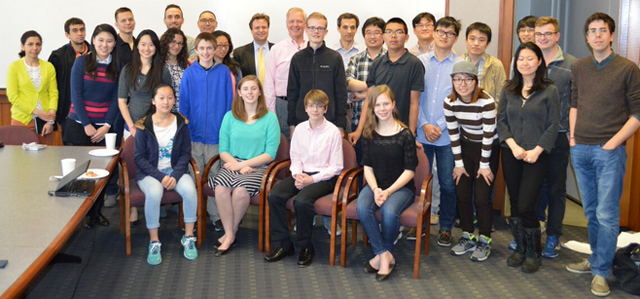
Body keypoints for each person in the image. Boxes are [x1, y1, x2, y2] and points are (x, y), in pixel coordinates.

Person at [566, 13, 640, 297]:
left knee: (607, 215)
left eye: (602, 30)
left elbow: (637, 113)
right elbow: (575, 103)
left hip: (609, 152)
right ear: (587, 37)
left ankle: (600, 273)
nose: (597, 35)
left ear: (611, 35)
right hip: (581, 149)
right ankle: (598, 260)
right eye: (592, 31)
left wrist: (613, 143)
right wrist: (573, 137)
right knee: (591, 212)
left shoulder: (627, 68)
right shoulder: (581, 67)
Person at [497, 42, 559, 274]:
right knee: (514, 202)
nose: (524, 63)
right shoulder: (508, 88)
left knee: (526, 204)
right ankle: (521, 248)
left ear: (539, 62)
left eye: (530, 58)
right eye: (520, 58)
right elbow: (501, 121)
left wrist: (537, 150)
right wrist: (512, 145)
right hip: (512, 152)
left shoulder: (549, 90)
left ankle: (535, 252)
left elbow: (554, 125)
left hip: (536, 155)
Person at [265, 89, 343, 267]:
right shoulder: (300, 129)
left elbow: (336, 167)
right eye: (311, 106)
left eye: (319, 106)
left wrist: (311, 180)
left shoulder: (332, 132)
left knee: (302, 201)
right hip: (302, 173)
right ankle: (284, 244)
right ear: (305, 108)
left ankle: (306, 246)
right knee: (275, 195)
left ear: (325, 108)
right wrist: (298, 175)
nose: (315, 109)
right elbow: (296, 157)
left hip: (325, 178)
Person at [209, 75, 280, 256]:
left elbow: (269, 154)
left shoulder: (270, 118)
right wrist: (238, 165)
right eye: (246, 89)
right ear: (239, 93)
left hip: (259, 167)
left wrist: (245, 165)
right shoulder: (229, 117)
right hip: (233, 163)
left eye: (253, 89)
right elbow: (223, 150)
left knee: (241, 190)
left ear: (259, 93)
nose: (250, 92)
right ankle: (231, 233)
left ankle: (229, 235)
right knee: (220, 188)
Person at [357, 85, 417, 281]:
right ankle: (384, 254)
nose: (382, 109)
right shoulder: (368, 132)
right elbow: (367, 167)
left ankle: (381, 256)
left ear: (393, 105)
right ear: (372, 108)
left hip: (400, 188)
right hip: (376, 185)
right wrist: (375, 189)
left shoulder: (405, 134)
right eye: (377, 105)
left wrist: (388, 192)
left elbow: (409, 171)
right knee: (362, 206)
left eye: (385, 104)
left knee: (389, 212)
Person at [63, 24, 121, 229]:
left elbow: (116, 98)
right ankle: (75, 218)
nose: (105, 45)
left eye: (109, 41)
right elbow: (76, 95)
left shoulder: (118, 66)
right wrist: (87, 124)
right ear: (94, 40)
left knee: (101, 173)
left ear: (114, 44)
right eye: (101, 40)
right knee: (79, 174)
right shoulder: (81, 62)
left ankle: (95, 214)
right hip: (79, 126)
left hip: (104, 128)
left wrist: (106, 125)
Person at [134, 84, 198, 265]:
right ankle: (154, 241)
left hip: (175, 171)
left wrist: (175, 175)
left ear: (174, 101)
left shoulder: (181, 123)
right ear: (153, 101)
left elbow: (186, 153)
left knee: (190, 190)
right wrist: (161, 177)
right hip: (150, 174)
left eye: (170, 97)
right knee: (154, 193)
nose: (166, 101)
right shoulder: (143, 125)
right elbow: (139, 158)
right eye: (161, 98)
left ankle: (189, 236)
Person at [531, 16, 577, 259]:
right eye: (539, 34)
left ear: (557, 36)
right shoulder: (529, 60)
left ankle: (553, 236)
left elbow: (576, 103)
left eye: (548, 34)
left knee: (557, 188)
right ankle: (533, 229)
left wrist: (572, 133)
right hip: (532, 136)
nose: (543, 38)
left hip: (559, 136)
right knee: (533, 186)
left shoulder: (572, 65)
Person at [444, 61, 499, 262]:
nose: (463, 84)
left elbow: (488, 135)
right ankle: (468, 235)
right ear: (452, 81)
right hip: (465, 148)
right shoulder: (449, 102)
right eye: (458, 79)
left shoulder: (486, 102)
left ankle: (485, 239)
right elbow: (453, 134)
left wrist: (484, 166)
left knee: (482, 197)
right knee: (462, 192)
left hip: (488, 149)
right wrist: (459, 164)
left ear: (476, 81)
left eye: (468, 79)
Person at [179, 32, 233, 234]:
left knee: (215, 178)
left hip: (216, 137)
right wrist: (186, 135)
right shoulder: (189, 74)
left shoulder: (224, 72)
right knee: (192, 177)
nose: (206, 52)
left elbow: (229, 105)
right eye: (201, 48)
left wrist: (225, 134)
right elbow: (183, 107)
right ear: (196, 50)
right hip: (194, 136)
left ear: (215, 49)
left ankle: (216, 216)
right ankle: (191, 218)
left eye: (209, 48)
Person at [416, 16, 463, 246]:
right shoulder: (419, 62)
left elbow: (461, 100)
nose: (444, 36)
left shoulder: (461, 65)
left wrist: (440, 126)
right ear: (433, 33)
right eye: (441, 31)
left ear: (455, 37)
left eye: (450, 33)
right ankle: (418, 225)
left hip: (447, 136)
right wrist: (424, 124)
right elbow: (415, 97)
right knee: (419, 181)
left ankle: (445, 227)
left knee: (446, 183)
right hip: (421, 133)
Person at [349, 17, 424, 144]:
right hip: (376, 131)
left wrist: (411, 134)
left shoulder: (414, 64)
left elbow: (414, 103)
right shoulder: (377, 63)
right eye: (389, 32)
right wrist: (359, 131)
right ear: (384, 36)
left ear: (406, 37)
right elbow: (369, 99)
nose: (393, 36)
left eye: (399, 32)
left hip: (401, 132)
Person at [287, 12, 347, 136]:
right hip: (302, 122)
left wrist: (341, 124)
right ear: (306, 29)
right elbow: (292, 93)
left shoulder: (335, 58)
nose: (316, 32)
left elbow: (341, 93)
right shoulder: (297, 58)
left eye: (320, 28)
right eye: (312, 28)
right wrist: (292, 124)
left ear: (326, 32)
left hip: (329, 122)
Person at [7, 30, 58, 145]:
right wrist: (38, 112)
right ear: (22, 46)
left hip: (45, 122)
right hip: (22, 120)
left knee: (45, 158)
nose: (35, 48)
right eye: (30, 44)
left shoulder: (48, 67)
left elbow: (53, 93)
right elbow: (13, 96)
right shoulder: (14, 67)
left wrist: (50, 120)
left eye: (38, 44)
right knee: (22, 160)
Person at [118, 30, 171, 140]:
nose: (146, 49)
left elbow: (167, 100)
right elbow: (122, 101)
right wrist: (132, 127)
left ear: (156, 47)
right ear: (137, 46)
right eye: (143, 44)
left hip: (157, 128)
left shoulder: (163, 71)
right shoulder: (128, 70)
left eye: (151, 45)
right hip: (131, 127)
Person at [263, 7, 306, 138]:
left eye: (299, 21)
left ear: (305, 24)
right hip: (283, 106)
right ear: (287, 24)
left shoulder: (312, 47)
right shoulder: (277, 49)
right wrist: (271, 113)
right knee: (285, 146)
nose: (295, 25)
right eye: (291, 21)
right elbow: (269, 83)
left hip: (308, 104)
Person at [48, 18, 90, 139]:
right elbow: (52, 87)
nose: (80, 33)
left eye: (82, 30)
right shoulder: (58, 56)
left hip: (93, 112)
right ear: (67, 35)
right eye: (75, 30)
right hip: (68, 114)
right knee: (72, 153)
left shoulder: (95, 53)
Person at [460, 22, 506, 102]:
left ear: (487, 44)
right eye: (472, 39)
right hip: (461, 111)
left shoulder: (496, 65)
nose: (476, 43)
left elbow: (501, 95)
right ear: (466, 41)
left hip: (487, 112)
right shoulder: (458, 62)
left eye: (481, 40)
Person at [232, 13, 273, 79]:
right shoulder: (239, 53)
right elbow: (237, 79)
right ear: (251, 30)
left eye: (264, 27)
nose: (261, 30)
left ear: (268, 29)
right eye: (257, 28)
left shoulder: (278, 49)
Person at [160, 28, 189, 112]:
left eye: (180, 43)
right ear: (166, 43)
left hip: (183, 112)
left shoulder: (186, 66)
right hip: (163, 113)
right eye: (173, 42)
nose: (176, 46)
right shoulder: (158, 66)